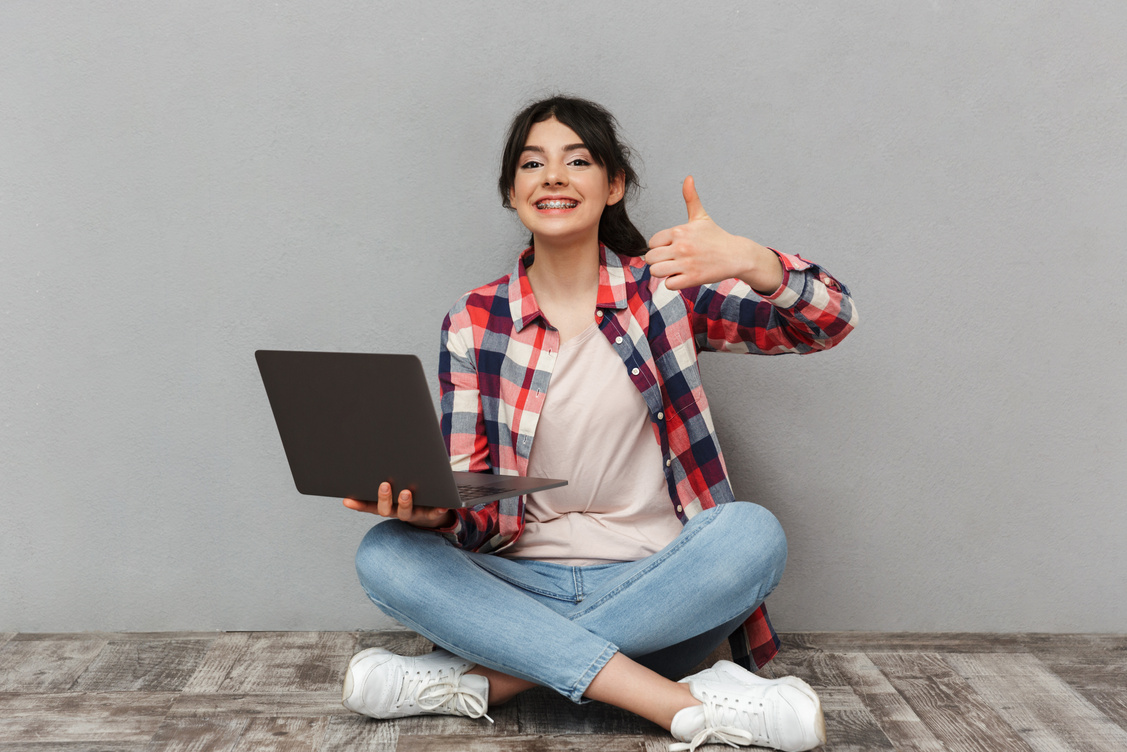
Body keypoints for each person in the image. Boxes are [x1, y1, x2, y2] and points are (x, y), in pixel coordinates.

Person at [340, 96, 857, 752]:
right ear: (511, 191)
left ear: (613, 186)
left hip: (660, 588)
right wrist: (435, 515)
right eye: (532, 163)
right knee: (386, 552)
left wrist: (752, 260)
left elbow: (828, 322)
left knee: (752, 534)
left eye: (576, 160)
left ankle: (484, 680)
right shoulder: (474, 320)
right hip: (516, 586)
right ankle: (678, 704)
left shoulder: (665, 292)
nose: (553, 176)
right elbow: (473, 495)